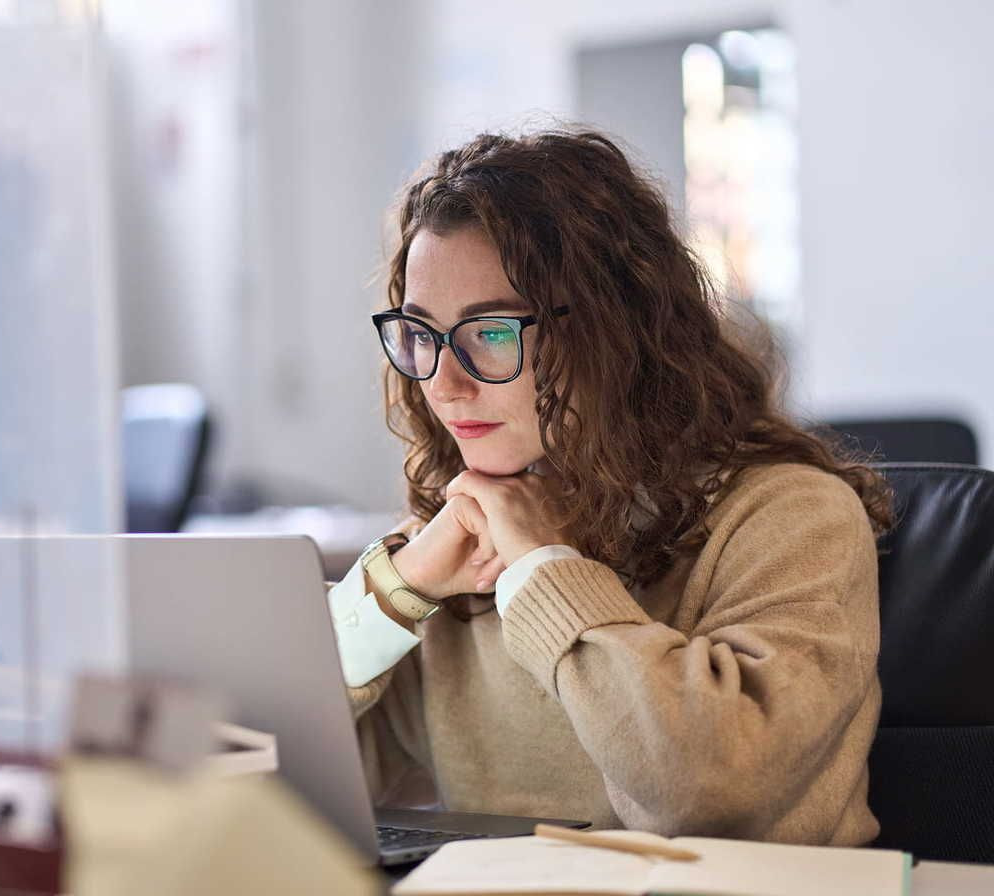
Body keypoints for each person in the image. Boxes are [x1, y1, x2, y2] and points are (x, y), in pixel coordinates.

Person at [325, 128, 893, 846]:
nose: (445, 381)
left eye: (492, 332)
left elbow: (706, 794)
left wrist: (542, 568)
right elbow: (268, 758)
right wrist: (398, 588)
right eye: (421, 334)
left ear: (613, 331)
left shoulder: (792, 518)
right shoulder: (459, 538)